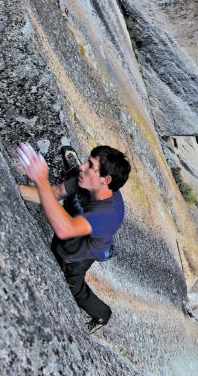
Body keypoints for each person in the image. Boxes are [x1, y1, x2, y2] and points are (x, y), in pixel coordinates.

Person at [16, 142, 131, 332]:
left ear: (106, 180)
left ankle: (103, 315)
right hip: (70, 234)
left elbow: (65, 229)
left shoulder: (109, 214)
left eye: (90, 166)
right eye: (87, 162)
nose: (82, 167)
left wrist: (41, 179)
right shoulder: (84, 179)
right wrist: (14, 188)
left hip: (77, 257)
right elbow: (54, 194)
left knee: (74, 288)